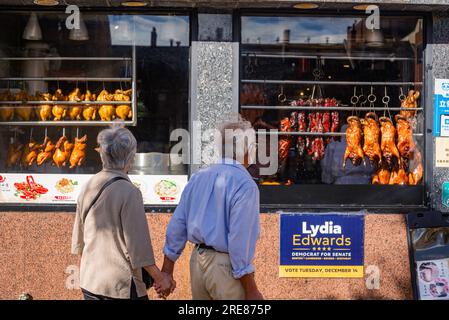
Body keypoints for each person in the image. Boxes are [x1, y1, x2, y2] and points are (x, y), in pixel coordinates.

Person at [159, 117, 264, 300]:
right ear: (247, 149)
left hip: (198, 263)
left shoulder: (199, 177)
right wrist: (251, 289)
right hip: (226, 268)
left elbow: (178, 225)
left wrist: (167, 271)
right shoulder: (245, 184)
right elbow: (240, 240)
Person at [71, 124, 175, 300]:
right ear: (130, 157)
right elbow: (139, 250)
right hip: (119, 286)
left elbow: (79, 240)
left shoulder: (88, 186)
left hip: (90, 281)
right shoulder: (130, 192)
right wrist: (161, 278)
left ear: (102, 154)